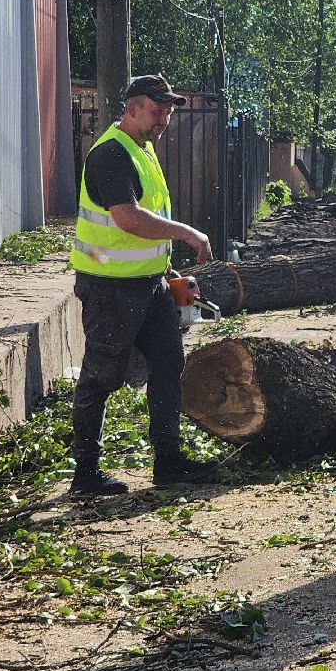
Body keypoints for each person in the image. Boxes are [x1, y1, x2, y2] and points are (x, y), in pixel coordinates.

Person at [68, 74, 220, 496]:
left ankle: (168, 461)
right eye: (158, 111)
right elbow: (128, 219)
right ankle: (86, 473)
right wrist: (187, 233)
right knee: (101, 378)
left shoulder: (141, 149)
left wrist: (166, 271)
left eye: (169, 112)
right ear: (132, 107)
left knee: (170, 363)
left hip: (147, 285)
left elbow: (140, 225)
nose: (164, 120)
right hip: (111, 288)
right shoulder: (111, 154)